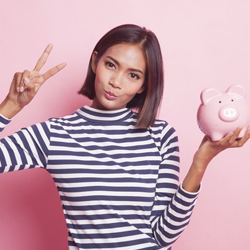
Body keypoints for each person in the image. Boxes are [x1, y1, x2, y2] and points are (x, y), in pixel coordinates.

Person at [0, 24, 249, 250]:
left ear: (143, 85)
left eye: (133, 75)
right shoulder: (55, 134)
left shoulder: (161, 135)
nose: (116, 82)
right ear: (95, 62)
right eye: (111, 65)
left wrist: (200, 162)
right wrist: (11, 105)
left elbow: (164, 235)